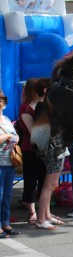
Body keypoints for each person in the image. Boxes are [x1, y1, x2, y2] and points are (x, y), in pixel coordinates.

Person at [17, 78, 47, 226]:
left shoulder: (45, 105)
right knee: (31, 181)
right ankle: (32, 211)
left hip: (45, 150)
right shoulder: (26, 108)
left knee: (44, 181)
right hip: (31, 150)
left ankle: (43, 211)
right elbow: (32, 132)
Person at [0, 92, 20, 238]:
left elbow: (16, 135)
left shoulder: (6, 119)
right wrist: (8, 136)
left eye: (2, 99)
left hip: (9, 162)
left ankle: (5, 222)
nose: (1, 102)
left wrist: (15, 138)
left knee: (7, 195)